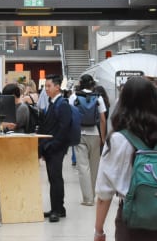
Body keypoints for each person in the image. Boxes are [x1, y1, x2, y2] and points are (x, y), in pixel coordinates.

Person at [94, 76, 157, 241]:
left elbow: (104, 193)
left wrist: (99, 231)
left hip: (132, 223)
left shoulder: (117, 140)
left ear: (123, 103)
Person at [70, 73, 108, 207]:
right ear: (92, 84)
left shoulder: (74, 96)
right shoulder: (98, 98)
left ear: (80, 83)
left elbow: (71, 117)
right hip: (95, 134)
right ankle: (93, 194)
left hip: (80, 134)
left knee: (83, 167)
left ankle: (88, 199)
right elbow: (103, 119)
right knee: (94, 167)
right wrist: (103, 137)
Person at [39, 74, 72, 222]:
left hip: (56, 148)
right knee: (53, 179)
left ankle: (58, 210)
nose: (46, 89)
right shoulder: (53, 103)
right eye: (45, 86)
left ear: (57, 87)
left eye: (49, 86)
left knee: (56, 179)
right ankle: (56, 208)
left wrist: (52, 146)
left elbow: (64, 129)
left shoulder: (62, 104)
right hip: (50, 147)